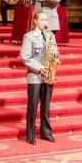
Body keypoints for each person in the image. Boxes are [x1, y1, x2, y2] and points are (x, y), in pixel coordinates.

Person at [20, 11, 59, 145]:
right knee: (33, 106)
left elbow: (56, 52)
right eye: (42, 20)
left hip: (48, 76)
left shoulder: (50, 36)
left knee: (46, 106)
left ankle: (46, 132)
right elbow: (25, 57)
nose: (45, 22)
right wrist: (39, 68)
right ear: (35, 21)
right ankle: (30, 134)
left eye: (46, 20)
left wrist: (56, 59)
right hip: (35, 76)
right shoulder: (29, 36)